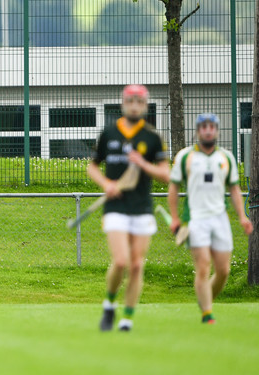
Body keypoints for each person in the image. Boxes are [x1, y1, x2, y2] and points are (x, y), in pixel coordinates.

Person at [87, 84, 170, 332]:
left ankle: (127, 319)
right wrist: (106, 183)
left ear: (145, 106)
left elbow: (166, 174)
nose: (134, 105)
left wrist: (143, 164)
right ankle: (110, 304)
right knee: (121, 261)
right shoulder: (109, 133)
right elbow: (92, 167)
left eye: (139, 102)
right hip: (115, 207)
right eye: (130, 101)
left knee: (136, 265)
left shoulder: (152, 137)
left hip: (142, 208)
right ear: (123, 104)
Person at [167, 113, 253, 324]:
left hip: (219, 218)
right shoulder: (185, 156)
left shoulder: (226, 158)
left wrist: (242, 216)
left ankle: (205, 299)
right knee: (204, 265)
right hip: (195, 218)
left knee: (223, 270)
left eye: (212, 127)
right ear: (198, 131)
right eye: (204, 127)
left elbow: (234, 189)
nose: (208, 130)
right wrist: (175, 218)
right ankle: (207, 313)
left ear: (217, 131)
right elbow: (174, 188)